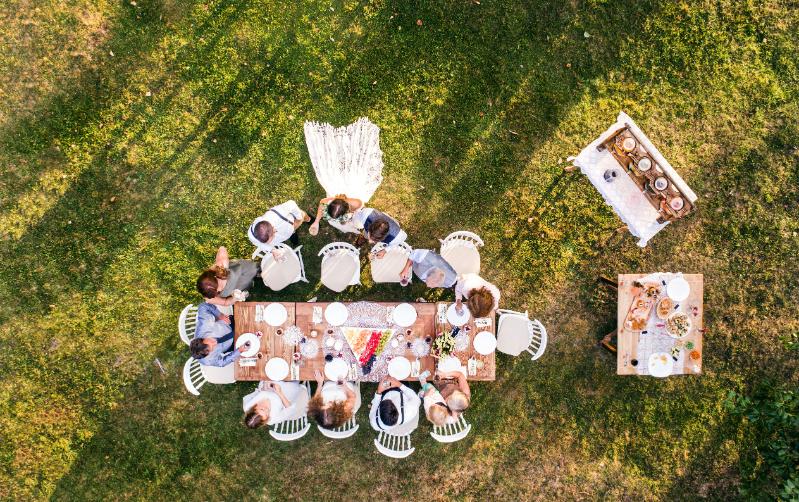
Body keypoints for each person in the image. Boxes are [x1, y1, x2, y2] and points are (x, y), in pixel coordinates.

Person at [304, 118, 384, 233]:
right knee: (334, 221)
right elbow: (322, 204)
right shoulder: (329, 200)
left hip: (352, 207)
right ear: (332, 202)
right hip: (344, 204)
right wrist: (316, 221)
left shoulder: (357, 203)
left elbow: (358, 209)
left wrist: (351, 216)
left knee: (358, 225)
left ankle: (350, 224)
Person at [248, 200, 312, 259]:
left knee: (302, 214)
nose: (270, 243)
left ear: (274, 229)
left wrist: (299, 218)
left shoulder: (276, 214)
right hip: (287, 231)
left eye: (272, 238)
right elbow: (259, 243)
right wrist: (272, 250)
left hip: (291, 223)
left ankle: (309, 219)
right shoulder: (252, 235)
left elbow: (291, 204)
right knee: (292, 232)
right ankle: (293, 232)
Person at [189, 301, 245, 367]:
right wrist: (238, 351)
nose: (214, 344)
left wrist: (220, 315)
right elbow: (221, 363)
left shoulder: (203, 326)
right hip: (233, 344)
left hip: (230, 325)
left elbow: (202, 306)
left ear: (202, 339)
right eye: (210, 350)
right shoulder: (207, 360)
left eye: (210, 344)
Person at [242, 381, 307, 429]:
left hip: (269, 384)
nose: (266, 409)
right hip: (285, 392)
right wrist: (279, 392)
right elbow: (290, 409)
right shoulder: (273, 419)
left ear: (254, 408)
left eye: (262, 409)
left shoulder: (248, 405)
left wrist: (263, 388)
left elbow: (256, 392)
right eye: (267, 414)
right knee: (292, 377)